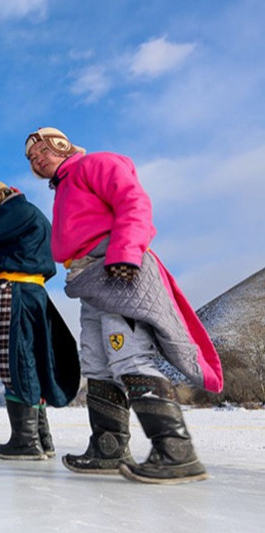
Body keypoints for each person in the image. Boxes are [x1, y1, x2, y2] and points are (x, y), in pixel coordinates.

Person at [25, 127, 223, 484]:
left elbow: (133, 201)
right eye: (30, 158)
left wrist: (126, 253)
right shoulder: (64, 187)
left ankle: (176, 451)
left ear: (61, 145)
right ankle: (108, 446)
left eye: (41, 150)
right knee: (96, 361)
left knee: (127, 354)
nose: (36, 159)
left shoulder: (94, 164)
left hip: (117, 268)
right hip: (88, 279)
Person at [0, 179, 80, 460]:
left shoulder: (17, 210)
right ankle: (41, 439)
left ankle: (25, 442)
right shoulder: (22, 217)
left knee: (17, 359)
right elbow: (14, 255)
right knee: (28, 361)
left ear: (6, 195)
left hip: (15, 293)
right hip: (27, 290)